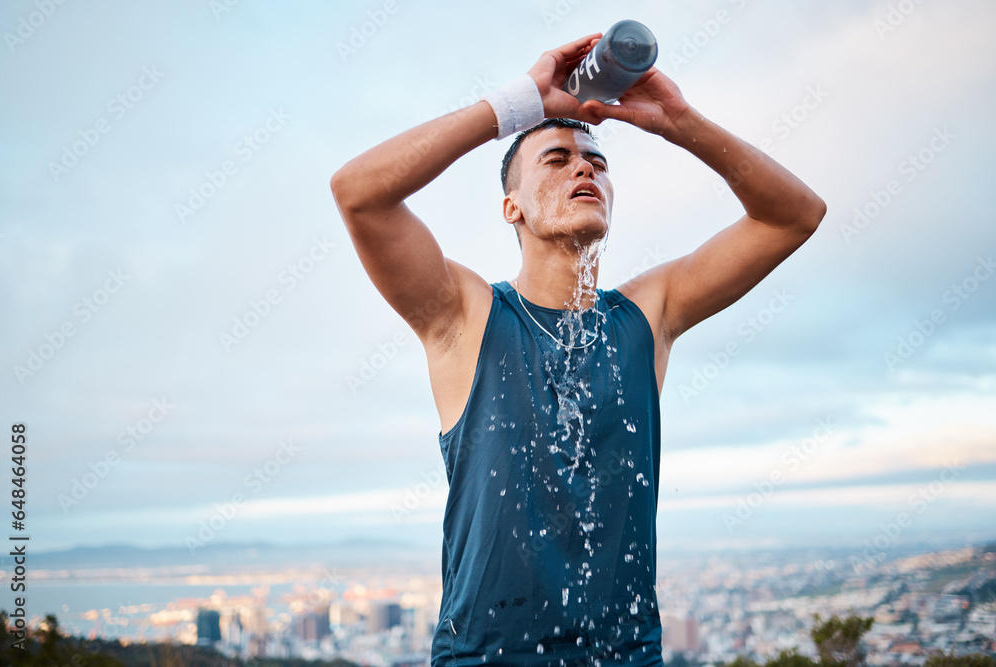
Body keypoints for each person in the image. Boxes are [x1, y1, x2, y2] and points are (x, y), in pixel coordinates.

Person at [331, 32, 826, 667]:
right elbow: (359, 193)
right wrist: (518, 104)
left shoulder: (648, 315)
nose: (584, 167)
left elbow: (793, 216)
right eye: (556, 158)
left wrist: (679, 122)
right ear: (511, 206)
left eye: (596, 162)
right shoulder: (467, 315)